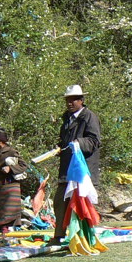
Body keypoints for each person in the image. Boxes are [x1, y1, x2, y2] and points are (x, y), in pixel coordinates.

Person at [51, 85, 102, 243]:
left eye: (73, 99)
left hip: (82, 170)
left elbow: (94, 141)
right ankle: (59, 236)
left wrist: (78, 143)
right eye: (67, 100)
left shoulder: (89, 117)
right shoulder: (66, 118)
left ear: (81, 100)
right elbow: (64, 141)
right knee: (60, 202)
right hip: (67, 170)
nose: (69, 103)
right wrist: (60, 148)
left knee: (81, 206)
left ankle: (84, 239)